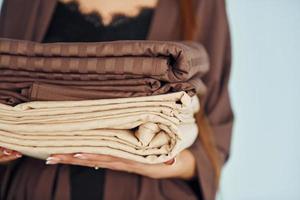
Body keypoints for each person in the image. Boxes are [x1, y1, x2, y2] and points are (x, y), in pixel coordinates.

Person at [0, 0, 234, 200]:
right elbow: (8, 83)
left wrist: (162, 163)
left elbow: (215, 135)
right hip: (33, 188)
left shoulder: (201, 4)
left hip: (150, 192)